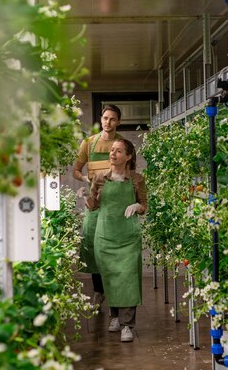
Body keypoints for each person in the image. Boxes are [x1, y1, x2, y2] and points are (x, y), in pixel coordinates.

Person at [85, 138, 147, 342]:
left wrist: (137, 207)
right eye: (112, 150)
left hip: (128, 237)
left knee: (128, 278)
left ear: (128, 156)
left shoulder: (137, 179)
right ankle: (114, 318)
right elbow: (93, 206)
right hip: (106, 235)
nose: (112, 154)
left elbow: (144, 206)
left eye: (118, 151)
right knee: (110, 277)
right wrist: (86, 197)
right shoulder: (100, 178)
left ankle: (127, 324)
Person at [73, 104, 123, 307]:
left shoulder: (122, 144)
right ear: (101, 119)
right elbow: (75, 170)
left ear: (118, 122)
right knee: (92, 244)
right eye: (105, 118)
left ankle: (115, 292)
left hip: (116, 202)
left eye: (112, 119)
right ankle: (98, 290)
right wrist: (86, 179)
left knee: (115, 246)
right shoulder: (88, 143)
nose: (107, 122)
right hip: (94, 202)